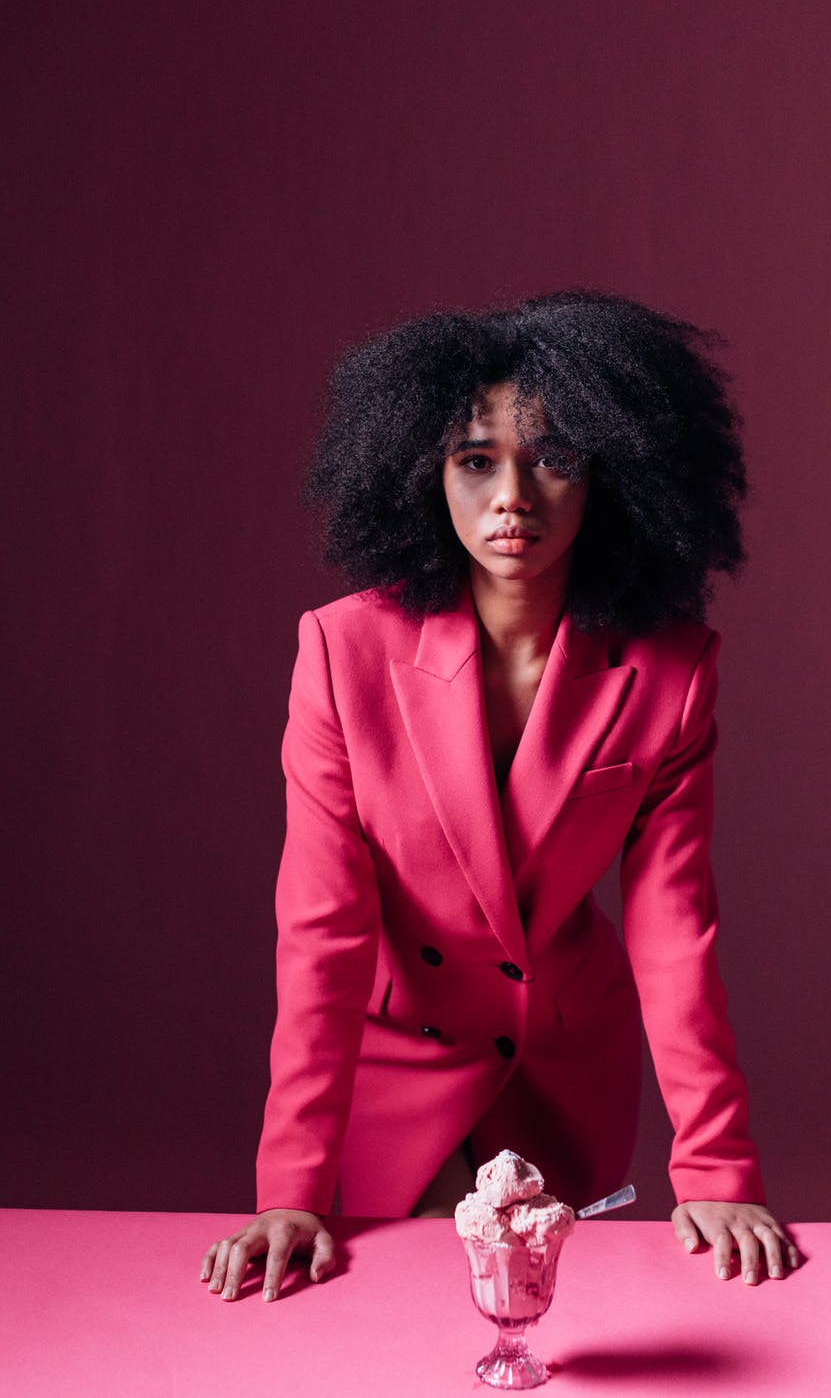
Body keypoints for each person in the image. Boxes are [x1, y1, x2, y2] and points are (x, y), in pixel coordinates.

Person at [200, 290, 799, 1302]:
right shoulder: (344, 653)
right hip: (396, 1059)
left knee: (542, 1329)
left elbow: (672, 930)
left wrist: (716, 1166)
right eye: (476, 460)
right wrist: (288, 1187)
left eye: (553, 456)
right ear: (423, 474)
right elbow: (323, 930)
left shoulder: (671, 670)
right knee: (432, 1311)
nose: (512, 495)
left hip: (563, 1065)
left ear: (612, 473)